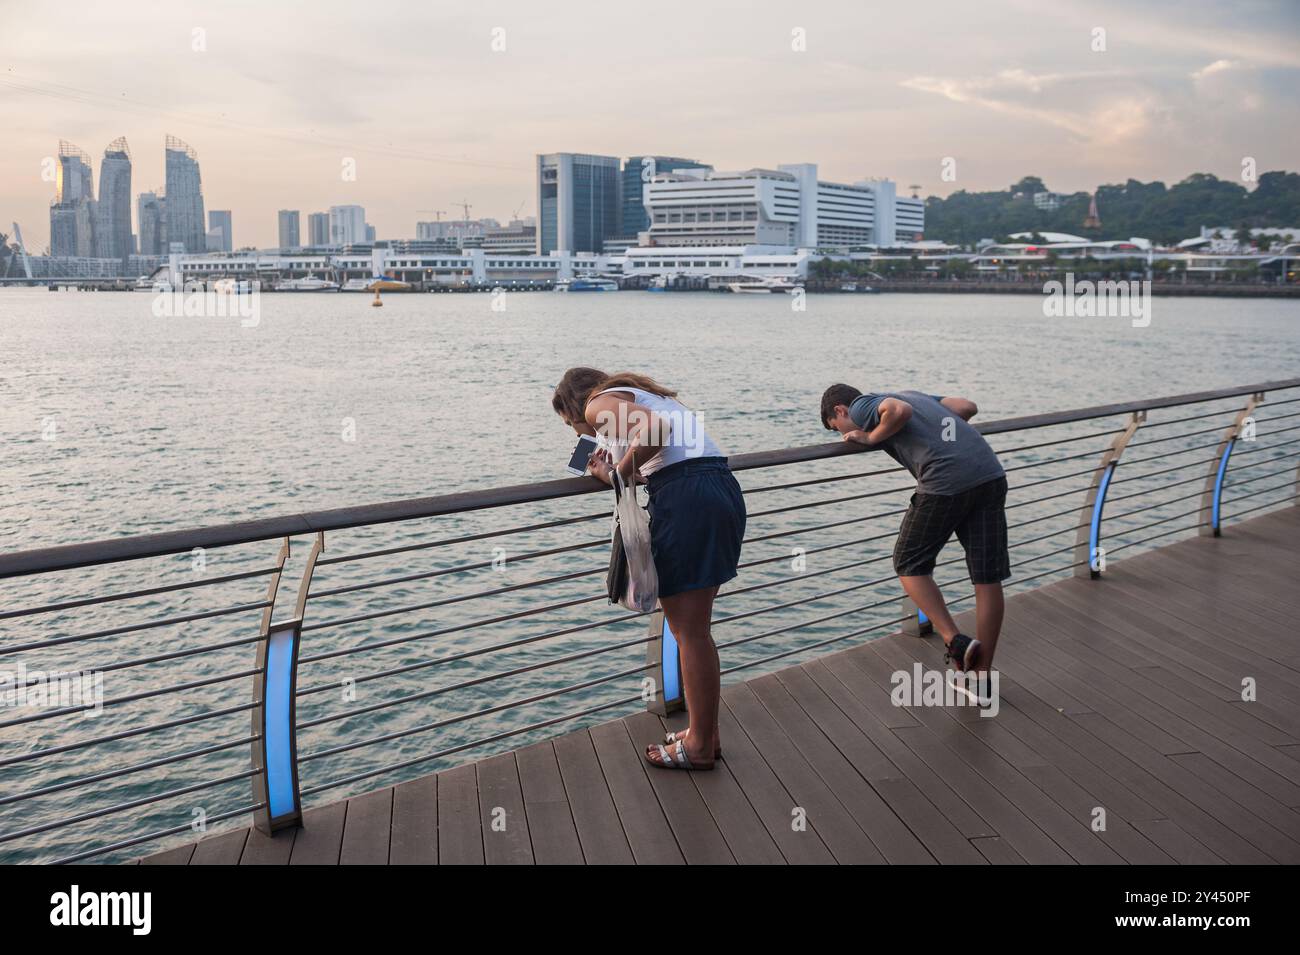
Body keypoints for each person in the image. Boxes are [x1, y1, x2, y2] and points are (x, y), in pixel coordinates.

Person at [552, 368, 746, 770]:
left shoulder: (598, 403)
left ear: (575, 407)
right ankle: (704, 735)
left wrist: (616, 473)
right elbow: (663, 447)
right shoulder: (642, 396)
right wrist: (623, 465)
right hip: (716, 488)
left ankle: (699, 748)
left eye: (572, 425)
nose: (578, 433)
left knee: (689, 633)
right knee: (696, 631)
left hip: (687, 498)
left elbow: (655, 432)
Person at [819, 384, 1009, 680]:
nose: (844, 435)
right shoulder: (915, 396)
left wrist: (869, 436)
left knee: (909, 563)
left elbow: (898, 412)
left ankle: (955, 640)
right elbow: (966, 407)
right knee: (987, 577)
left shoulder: (860, 406)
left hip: (945, 483)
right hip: (989, 474)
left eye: (837, 428)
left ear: (839, 410)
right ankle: (982, 676)